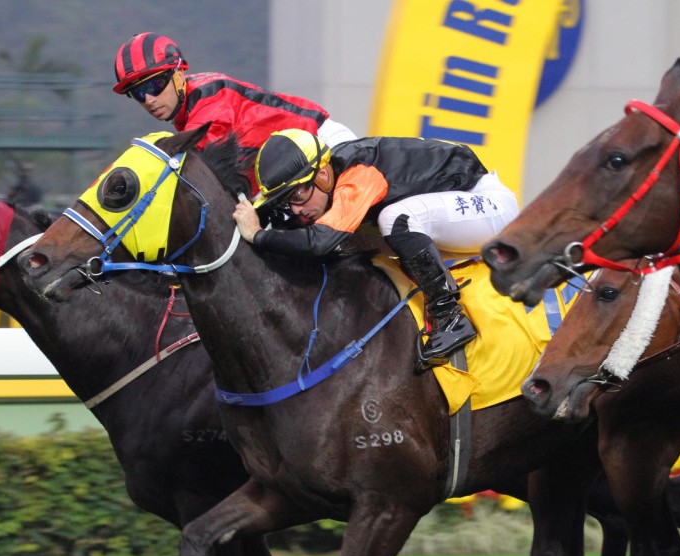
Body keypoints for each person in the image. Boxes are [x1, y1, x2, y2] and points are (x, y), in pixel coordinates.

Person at [231, 129, 519, 366]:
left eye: (297, 195)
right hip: (448, 217)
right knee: (357, 239)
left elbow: (319, 242)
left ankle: (450, 318)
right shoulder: (330, 176)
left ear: (322, 175)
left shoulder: (358, 173)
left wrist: (257, 235)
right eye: (286, 201)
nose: (296, 209)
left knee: (392, 219)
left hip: (487, 205)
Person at [112, 32, 357, 194]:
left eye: (154, 85)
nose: (149, 100)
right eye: (138, 93)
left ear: (178, 75)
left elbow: (188, 170)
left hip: (325, 146)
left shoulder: (209, 98)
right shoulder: (187, 111)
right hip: (290, 172)